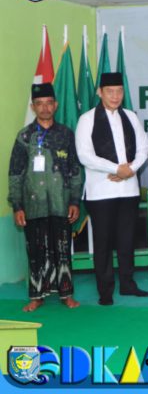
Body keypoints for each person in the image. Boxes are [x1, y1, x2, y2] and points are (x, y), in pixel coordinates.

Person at [75, 72, 148, 305]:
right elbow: (84, 155)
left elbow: (143, 148)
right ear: (100, 92)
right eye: (110, 91)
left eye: (119, 91)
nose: (115, 96)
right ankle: (105, 290)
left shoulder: (131, 117)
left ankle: (128, 284)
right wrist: (117, 168)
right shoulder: (87, 119)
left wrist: (130, 169)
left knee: (127, 240)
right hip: (100, 192)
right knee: (103, 242)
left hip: (128, 190)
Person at [8, 83, 83, 312]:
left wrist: (74, 201)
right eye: (39, 104)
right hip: (34, 204)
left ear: (55, 105)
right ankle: (36, 296)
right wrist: (17, 206)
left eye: (49, 103)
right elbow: (15, 173)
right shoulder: (24, 136)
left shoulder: (66, 134)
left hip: (61, 203)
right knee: (35, 251)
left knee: (63, 250)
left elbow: (75, 170)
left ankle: (66, 294)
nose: (44, 108)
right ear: (33, 107)